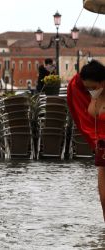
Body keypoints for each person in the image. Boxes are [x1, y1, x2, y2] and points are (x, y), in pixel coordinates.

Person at [67, 59, 105, 220]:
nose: (90, 90)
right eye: (87, 87)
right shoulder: (88, 93)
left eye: (93, 87)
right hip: (102, 150)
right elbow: (76, 83)